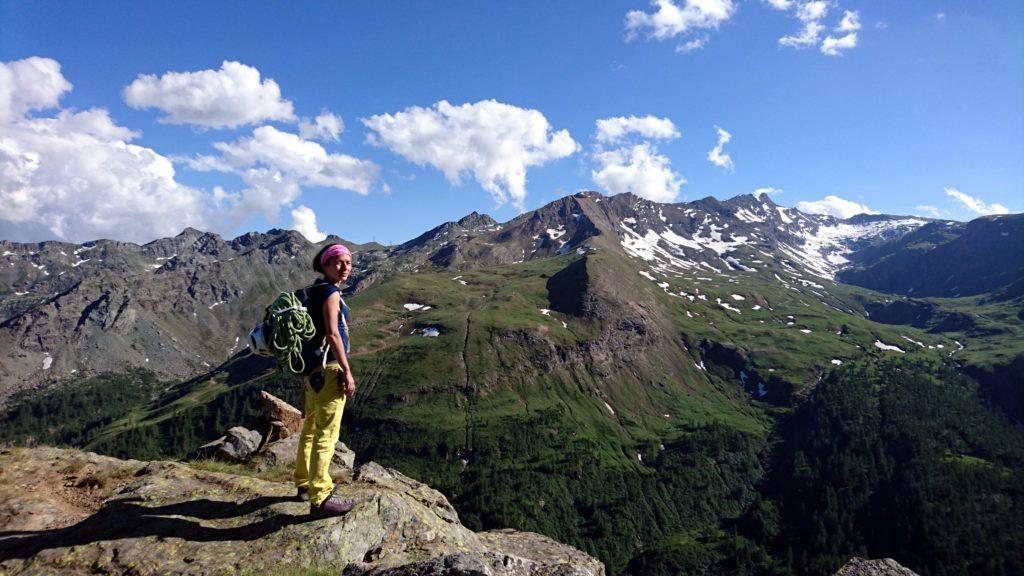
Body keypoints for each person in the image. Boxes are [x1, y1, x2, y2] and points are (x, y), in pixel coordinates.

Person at [294, 243, 358, 517]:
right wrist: (347, 370)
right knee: (326, 434)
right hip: (329, 370)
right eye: (339, 263)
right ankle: (320, 497)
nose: (345, 268)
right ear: (326, 264)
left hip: (312, 371)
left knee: (310, 426)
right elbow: (333, 334)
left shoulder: (314, 291)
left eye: (348, 263)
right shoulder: (330, 293)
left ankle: (303, 483)